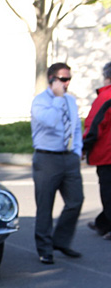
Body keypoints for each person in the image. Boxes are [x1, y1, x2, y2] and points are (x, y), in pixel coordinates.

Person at [30, 62, 84, 264]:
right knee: (45, 205)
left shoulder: (70, 100)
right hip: (47, 158)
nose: (67, 83)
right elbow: (50, 121)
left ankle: (60, 240)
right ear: (51, 79)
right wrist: (58, 99)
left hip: (68, 157)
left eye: (69, 79)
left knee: (76, 201)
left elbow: (76, 127)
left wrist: (77, 151)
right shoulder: (40, 101)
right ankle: (45, 249)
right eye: (63, 79)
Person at [82, 61, 111, 241]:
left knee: (108, 191)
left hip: (107, 154)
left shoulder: (105, 97)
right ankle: (103, 222)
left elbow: (95, 125)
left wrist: (84, 147)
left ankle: (107, 223)